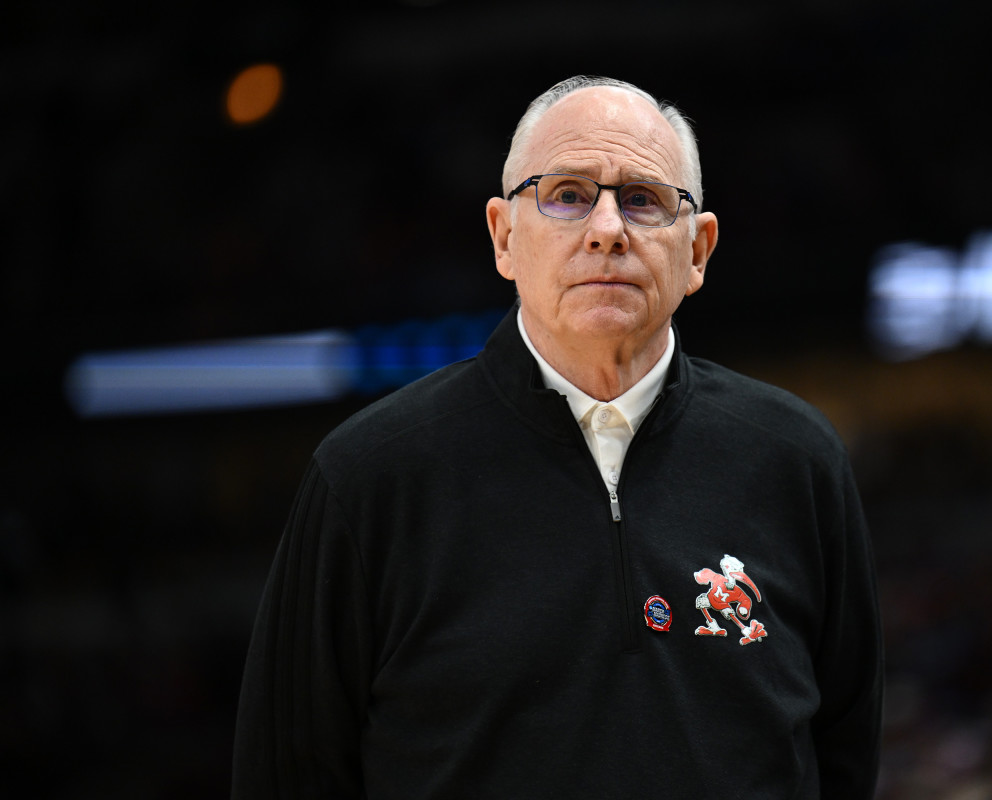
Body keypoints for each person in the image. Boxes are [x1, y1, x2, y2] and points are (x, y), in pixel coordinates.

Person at [232, 75, 883, 798]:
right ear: (505, 237)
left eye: (644, 199)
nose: (608, 228)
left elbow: (844, 759)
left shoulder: (796, 459)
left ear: (697, 250)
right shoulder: (366, 478)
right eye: (568, 195)